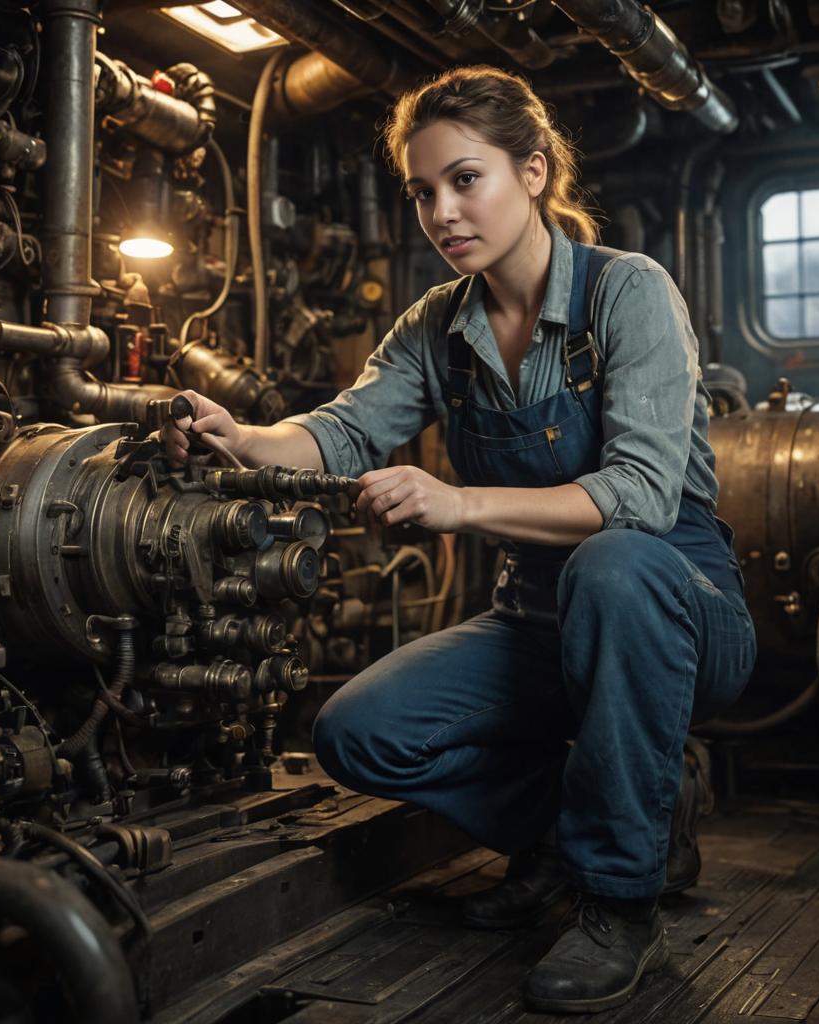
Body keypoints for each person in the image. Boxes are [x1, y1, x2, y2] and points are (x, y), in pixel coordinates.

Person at [162, 65, 756, 1014]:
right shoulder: (438, 329)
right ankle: (577, 834)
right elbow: (340, 430)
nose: (441, 212)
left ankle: (619, 899)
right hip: (538, 622)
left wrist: (459, 502)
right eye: (422, 191)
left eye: (465, 179)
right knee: (360, 734)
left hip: (678, 608)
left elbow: (642, 497)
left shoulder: (626, 294)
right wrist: (240, 435)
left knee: (613, 564)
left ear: (533, 170)